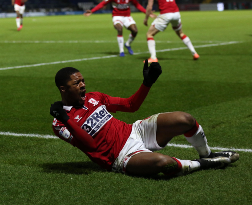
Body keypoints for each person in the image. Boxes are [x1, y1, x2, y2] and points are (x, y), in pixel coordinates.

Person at [50, 61, 239, 177]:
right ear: (63, 89)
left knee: (185, 119)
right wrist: (67, 119)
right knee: (165, 163)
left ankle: (207, 154)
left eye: (83, 80)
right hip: (121, 157)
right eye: (77, 83)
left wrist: (147, 83)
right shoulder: (59, 123)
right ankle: (207, 164)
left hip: (135, 131)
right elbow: (90, 146)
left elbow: (131, 106)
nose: (83, 85)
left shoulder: (95, 97)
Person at [84, 0, 156, 57]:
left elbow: (137, 5)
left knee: (135, 31)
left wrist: (147, 13)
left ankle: (127, 44)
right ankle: (121, 51)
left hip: (127, 16)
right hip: (117, 16)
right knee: (119, 29)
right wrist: (92, 11)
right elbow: (103, 3)